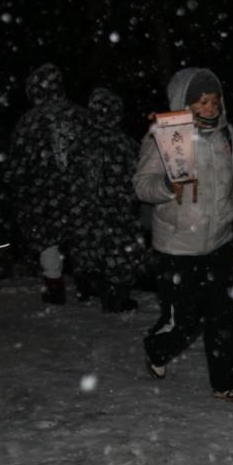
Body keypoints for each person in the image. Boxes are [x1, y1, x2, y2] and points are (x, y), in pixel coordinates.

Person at [133, 68, 233, 402]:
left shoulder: (226, 135)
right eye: (202, 101)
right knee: (184, 321)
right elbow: (141, 185)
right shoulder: (163, 135)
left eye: (214, 100)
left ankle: (225, 382)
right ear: (184, 103)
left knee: (225, 315)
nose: (210, 107)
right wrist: (166, 187)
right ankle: (157, 349)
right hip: (177, 247)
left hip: (219, 242)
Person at [5, 63, 89, 305]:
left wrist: (18, 185)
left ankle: (54, 285)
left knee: (47, 239)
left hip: (42, 193)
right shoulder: (80, 115)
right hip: (79, 189)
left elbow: (17, 163)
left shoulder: (29, 122)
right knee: (81, 233)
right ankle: (85, 281)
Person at [75, 88, 145, 312]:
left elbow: (70, 175)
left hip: (89, 209)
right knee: (119, 252)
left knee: (92, 247)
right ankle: (117, 295)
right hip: (119, 209)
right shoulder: (123, 143)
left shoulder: (82, 142)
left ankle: (93, 286)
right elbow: (139, 172)